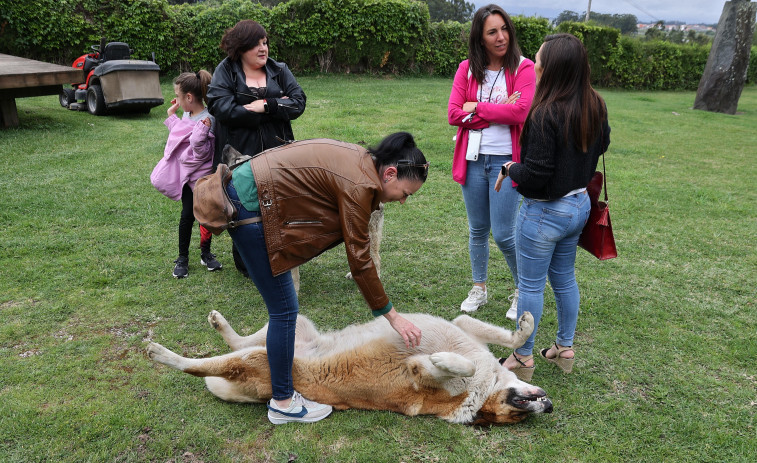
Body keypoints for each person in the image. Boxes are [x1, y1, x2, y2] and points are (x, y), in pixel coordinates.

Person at [226, 132, 428, 424]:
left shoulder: (362, 163)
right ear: (390, 173)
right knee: (284, 311)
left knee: (285, 310)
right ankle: (282, 402)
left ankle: (282, 393)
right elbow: (360, 259)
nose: (403, 201)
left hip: (250, 195)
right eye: (405, 193)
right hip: (249, 205)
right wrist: (393, 317)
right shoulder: (359, 184)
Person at [495, 34, 611, 381]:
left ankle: (522, 356)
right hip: (579, 207)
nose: (535, 65)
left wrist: (508, 168)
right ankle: (564, 346)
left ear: (553, 68)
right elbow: (602, 142)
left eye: (539, 60)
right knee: (563, 279)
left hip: (544, 212)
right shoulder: (595, 103)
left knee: (531, 287)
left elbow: (534, 175)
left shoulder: (544, 113)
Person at [447, 4, 536, 318]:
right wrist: (497, 110)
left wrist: (478, 108)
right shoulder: (467, 69)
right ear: (480, 38)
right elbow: (453, 114)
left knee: (504, 233)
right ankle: (479, 287)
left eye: (504, 29)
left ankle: (522, 289)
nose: (501, 37)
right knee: (477, 229)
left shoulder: (523, 68)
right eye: (492, 32)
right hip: (473, 160)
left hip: (506, 163)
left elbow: (521, 112)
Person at [206, 19, 307, 277]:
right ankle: (247, 263)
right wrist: (275, 106)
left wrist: (265, 106)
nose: (263, 48)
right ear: (241, 47)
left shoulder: (279, 69)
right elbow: (221, 108)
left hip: (278, 148)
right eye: (256, 44)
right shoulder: (226, 71)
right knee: (243, 206)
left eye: (265, 43)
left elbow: (298, 103)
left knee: (279, 204)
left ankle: (280, 258)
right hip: (240, 154)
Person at [150, 70, 222, 278]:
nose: (178, 101)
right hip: (186, 179)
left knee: (205, 217)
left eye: (179, 97)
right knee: (187, 216)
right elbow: (180, 137)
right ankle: (182, 257)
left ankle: (206, 253)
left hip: (203, 179)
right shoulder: (188, 114)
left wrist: (200, 136)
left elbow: (200, 154)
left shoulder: (209, 119)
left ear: (189, 97)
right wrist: (172, 116)